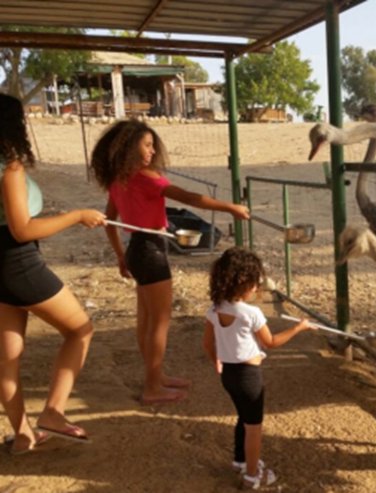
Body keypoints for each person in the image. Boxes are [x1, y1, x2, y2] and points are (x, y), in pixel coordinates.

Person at [90, 119, 250, 406]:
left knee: (146, 320)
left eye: (153, 146)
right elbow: (190, 198)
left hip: (137, 250)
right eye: (147, 145)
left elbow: (109, 222)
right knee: (159, 323)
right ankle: (152, 387)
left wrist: (121, 256)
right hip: (151, 251)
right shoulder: (148, 179)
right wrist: (230, 207)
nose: (152, 152)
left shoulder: (118, 181)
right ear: (129, 147)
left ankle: (156, 376)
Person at [0, 94, 107, 455]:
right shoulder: (9, 167)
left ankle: (24, 436)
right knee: (80, 330)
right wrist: (77, 215)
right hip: (18, 263)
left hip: (0, 268)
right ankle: (54, 413)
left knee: (8, 357)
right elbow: (22, 229)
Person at [203, 247, 316, 489]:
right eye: (254, 283)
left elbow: (207, 343)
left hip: (230, 376)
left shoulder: (215, 309)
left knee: (243, 417)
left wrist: (217, 361)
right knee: (254, 427)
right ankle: (253, 475)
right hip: (249, 377)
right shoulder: (250, 313)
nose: (257, 288)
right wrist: (299, 327)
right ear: (243, 282)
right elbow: (271, 342)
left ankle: (240, 461)